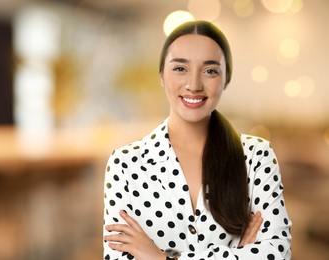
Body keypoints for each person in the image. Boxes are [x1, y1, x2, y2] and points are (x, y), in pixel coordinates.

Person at [103, 20, 292, 260]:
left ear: (226, 79)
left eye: (210, 70)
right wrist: (240, 254)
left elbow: (277, 253)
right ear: (162, 75)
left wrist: (162, 257)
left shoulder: (257, 156)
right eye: (180, 68)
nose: (194, 85)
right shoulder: (125, 164)